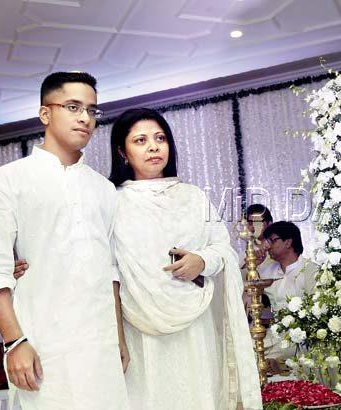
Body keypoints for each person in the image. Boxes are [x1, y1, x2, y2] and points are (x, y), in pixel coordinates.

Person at [0, 72, 129, 409]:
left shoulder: (103, 189)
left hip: (100, 349)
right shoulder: (7, 180)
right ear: (46, 114)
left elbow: (111, 271)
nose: (85, 118)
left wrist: (119, 339)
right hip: (42, 346)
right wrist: (14, 342)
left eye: (92, 110)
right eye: (73, 106)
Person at [108, 108, 261, 409]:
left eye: (160, 138)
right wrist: (117, 339)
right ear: (122, 152)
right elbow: (108, 275)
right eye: (140, 140)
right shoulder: (112, 202)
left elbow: (224, 249)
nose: (153, 146)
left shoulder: (193, 197)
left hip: (195, 327)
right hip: (138, 329)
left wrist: (201, 261)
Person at [255, 221, 318, 364]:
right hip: (271, 334)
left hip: (300, 338)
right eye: (267, 241)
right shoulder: (265, 272)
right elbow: (248, 295)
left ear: (288, 242)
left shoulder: (310, 270)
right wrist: (255, 263)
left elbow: (317, 311)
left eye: (272, 240)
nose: (268, 246)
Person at [241, 204, 275, 277]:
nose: (253, 226)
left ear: (269, 224)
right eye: (250, 223)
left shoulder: (279, 250)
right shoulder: (243, 254)